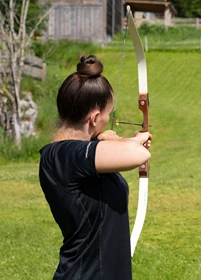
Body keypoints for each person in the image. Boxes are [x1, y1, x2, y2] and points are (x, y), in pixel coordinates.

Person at [39, 55, 151, 280]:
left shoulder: (81, 153)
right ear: (94, 117)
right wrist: (129, 142)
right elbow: (139, 154)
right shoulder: (60, 155)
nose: (109, 120)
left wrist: (112, 140)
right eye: (109, 114)